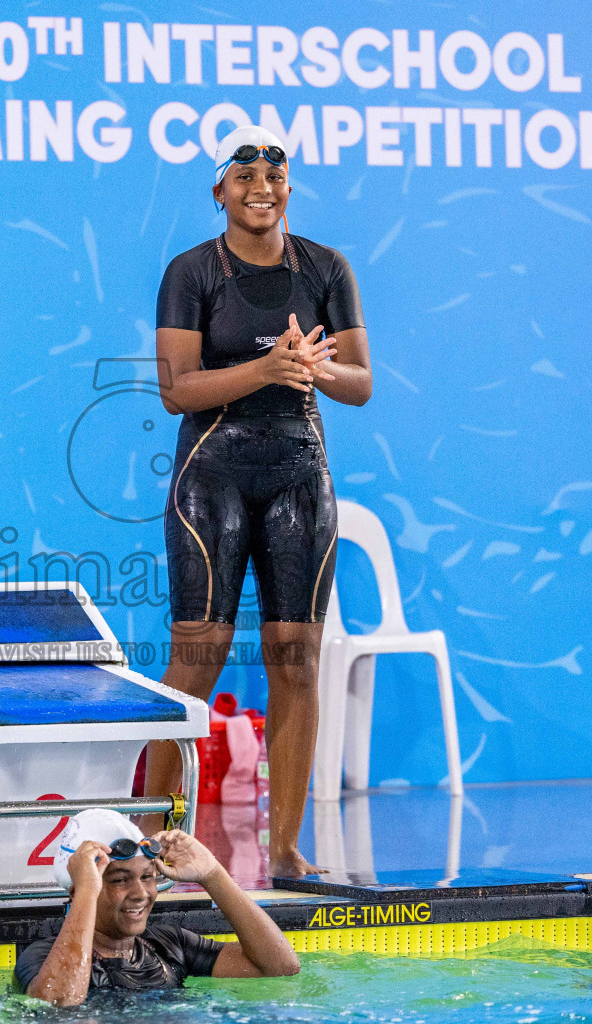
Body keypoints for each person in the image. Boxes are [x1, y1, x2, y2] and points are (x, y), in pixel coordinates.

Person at [141, 125, 372, 877]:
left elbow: (360, 382)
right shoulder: (191, 271)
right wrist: (269, 367)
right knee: (197, 658)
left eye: (273, 174)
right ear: (219, 191)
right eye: (243, 175)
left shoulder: (327, 267)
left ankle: (284, 850)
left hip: (299, 473)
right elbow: (178, 391)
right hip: (213, 475)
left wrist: (311, 369)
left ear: (289, 189)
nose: (260, 187)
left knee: (296, 659)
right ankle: (147, 844)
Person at [17, 808, 300, 1006]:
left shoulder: (167, 945)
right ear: (80, 890)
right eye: (119, 880)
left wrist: (213, 874)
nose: (141, 893)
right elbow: (57, 1004)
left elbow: (279, 966)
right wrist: (87, 891)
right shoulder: (40, 958)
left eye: (147, 876)